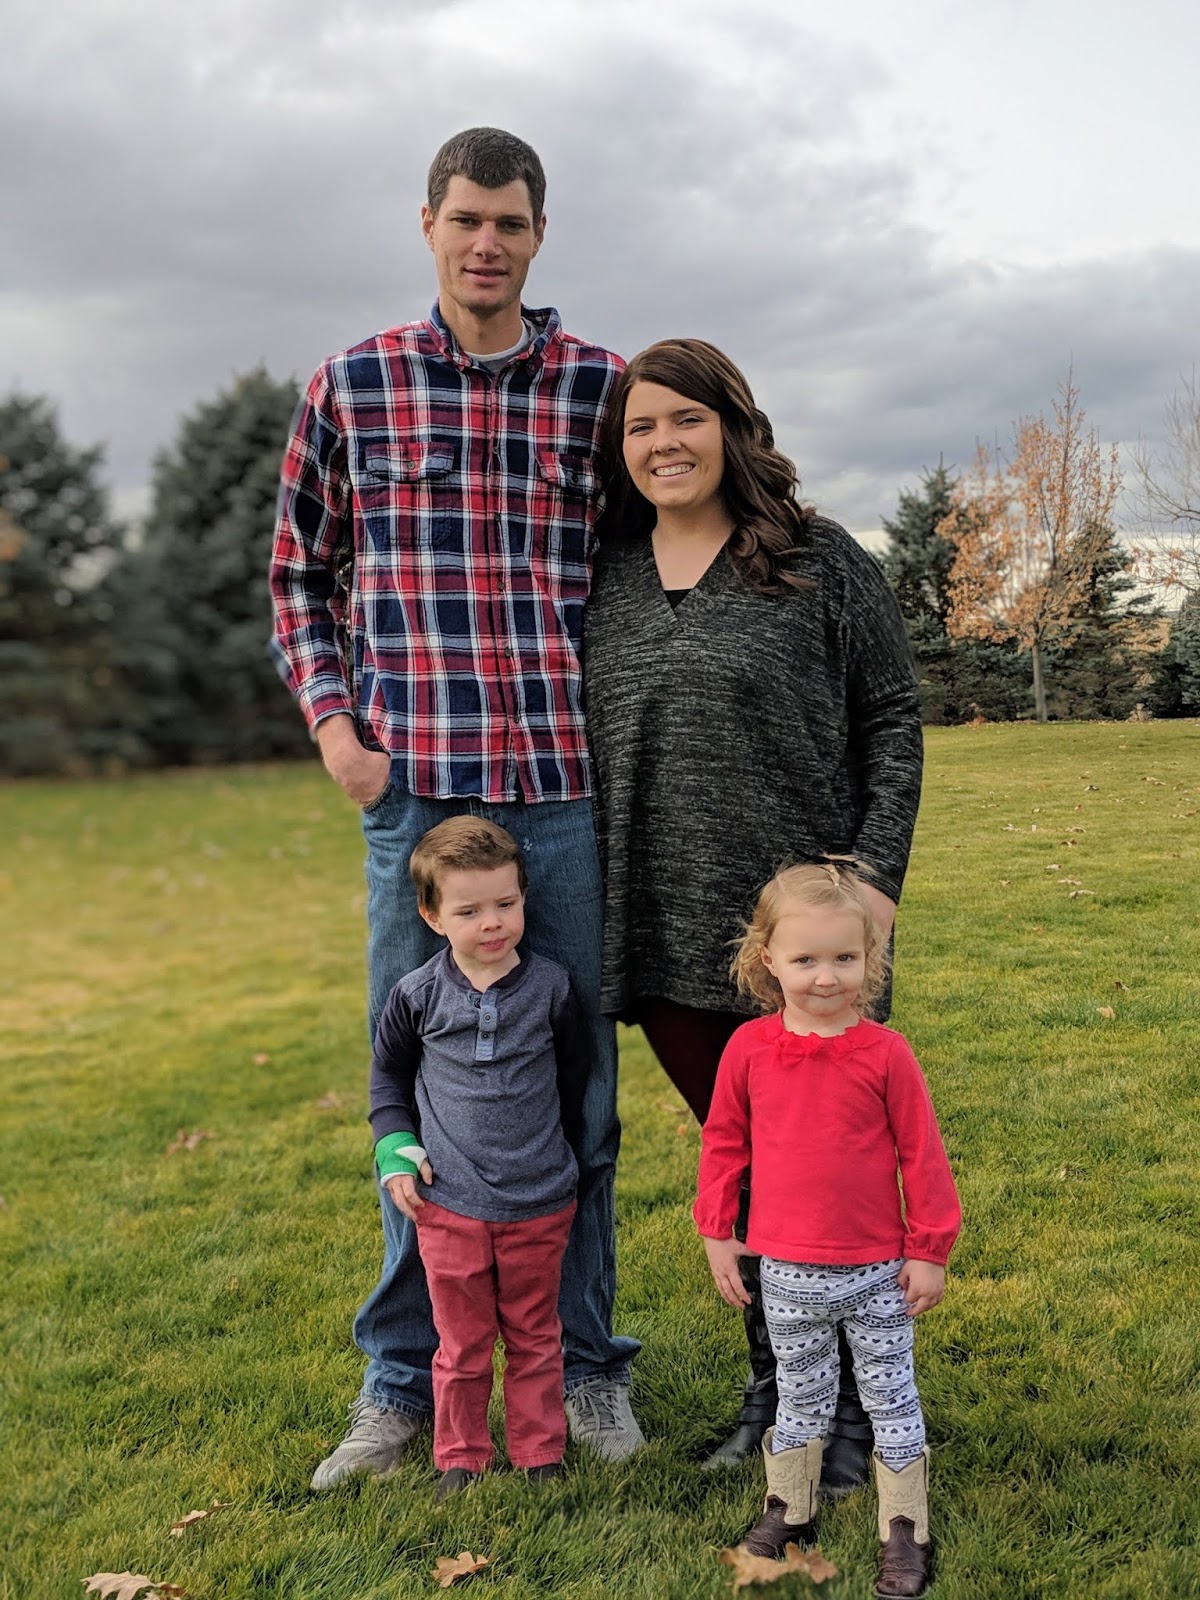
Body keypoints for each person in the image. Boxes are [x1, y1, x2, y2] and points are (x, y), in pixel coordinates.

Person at [270, 126, 643, 1490]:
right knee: (416, 1097)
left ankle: (586, 1367)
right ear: (428, 222)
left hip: (560, 793)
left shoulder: (602, 390)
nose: (489, 243)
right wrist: (337, 732)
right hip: (415, 793)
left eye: (513, 222)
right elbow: (297, 576)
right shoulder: (354, 383)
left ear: (541, 235)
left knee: (575, 1090)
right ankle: (398, 1384)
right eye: (468, 218)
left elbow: (651, 564)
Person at [582, 338, 924, 1485]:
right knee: (753, 1177)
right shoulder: (604, 575)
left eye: (686, 418)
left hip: (806, 936)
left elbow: (893, 717)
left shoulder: (818, 559)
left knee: (826, 1174)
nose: (664, 442)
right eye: (640, 426)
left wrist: (874, 879)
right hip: (662, 927)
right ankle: (784, 1400)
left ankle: (854, 1417)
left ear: (732, 427)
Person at [695, 863, 960, 1599]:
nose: (824, 977)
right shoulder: (749, 1049)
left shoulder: (887, 1053)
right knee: (799, 1395)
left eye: (845, 957)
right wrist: (718, 1230)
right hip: (785, 1273)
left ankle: (904, 1528)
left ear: (870, 959)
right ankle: (790, 1506)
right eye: (805, 958)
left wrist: (929, 1249)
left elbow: (922, 1156)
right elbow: (724, 1142)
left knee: (890, 1397)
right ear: (769, 959)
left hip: (877, 1274)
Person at [371, 818, 586, 1499]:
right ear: (432, 917)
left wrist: (557, 1157)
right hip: (450, 1205)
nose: (491, 923)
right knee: (461, 1344)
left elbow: (574, 1078)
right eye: (468, 911)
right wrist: (396, 1150)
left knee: (534, 1335)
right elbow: (387, 1081)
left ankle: (540, 1453)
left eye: (505, 904)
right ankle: (460, 1458)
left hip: (539, 1202)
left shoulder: (553, 989)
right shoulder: (416, 995)